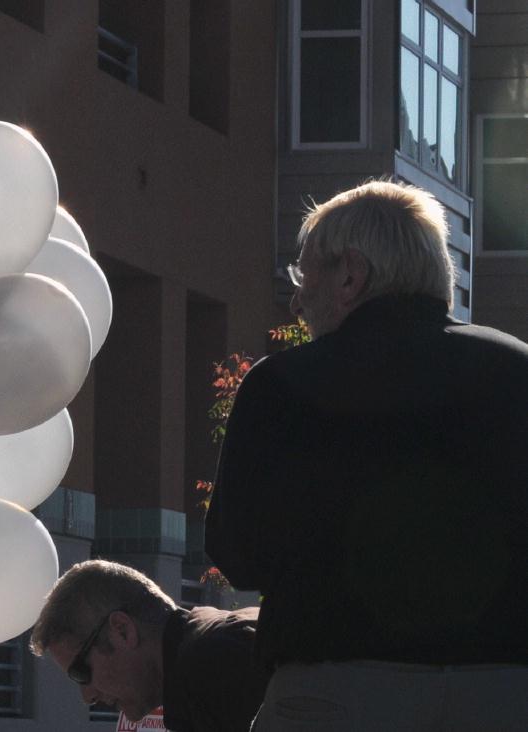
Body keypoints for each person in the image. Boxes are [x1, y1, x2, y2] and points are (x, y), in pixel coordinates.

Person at [206, 180, 528, 729]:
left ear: (350, 275)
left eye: (304, 275)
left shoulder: (282, 385)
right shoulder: (518, 372)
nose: (296, 298)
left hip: (336, 694)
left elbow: (238, 552)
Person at [30, 559, 268, 732]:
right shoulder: (208, 647)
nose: (87, 696)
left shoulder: (215, 665)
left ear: (122, 630)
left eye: (81, 672)